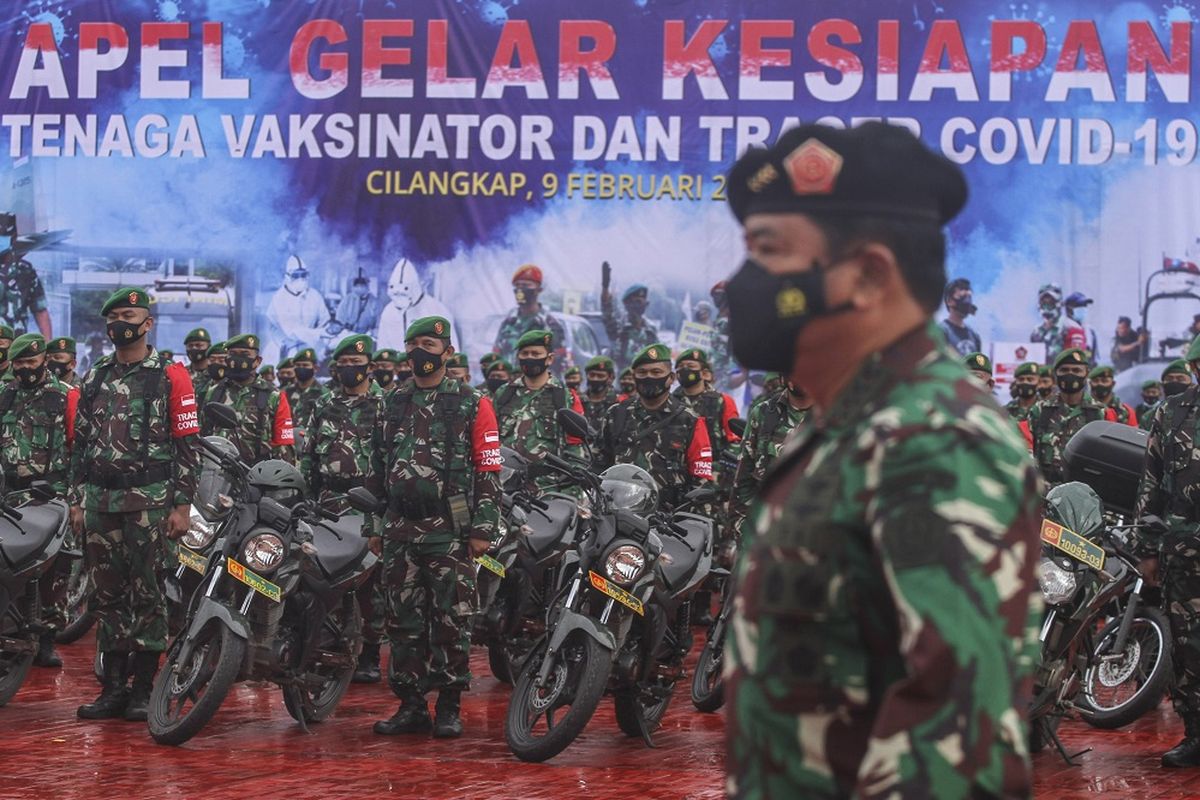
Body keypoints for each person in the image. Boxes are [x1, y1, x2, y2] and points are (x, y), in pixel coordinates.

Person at [722, 121, 1041, 798]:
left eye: (768, 252)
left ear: (867, 276)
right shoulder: (845, 425)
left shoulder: (934, 440)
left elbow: (953, 744)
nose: (739, 285)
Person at [367, 315, 501, 739]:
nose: (419, 352)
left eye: (429, 343)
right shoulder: (391, 400)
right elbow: (376, 466)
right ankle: (411, 706)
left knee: (450, 620)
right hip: (400, 529)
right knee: (402, 623)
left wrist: (483, 527)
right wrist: (375, 522)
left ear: (447, 352)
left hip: (451, 528)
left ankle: (448, 706)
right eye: (413, 344)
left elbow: (488, 468)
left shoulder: (471, 402)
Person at [71, 287, 200, 721]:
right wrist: (76, 500)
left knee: (148, 595)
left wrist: (182, 506)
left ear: (147, 323)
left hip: (150, 503)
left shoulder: (171, 376)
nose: (119, 323)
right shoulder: (96, 376)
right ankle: (113, 688)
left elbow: (187, 446)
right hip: (100, 502)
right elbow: (81, 444)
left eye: (129, 314)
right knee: (107, 597)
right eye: (114, 317)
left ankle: (144, 689)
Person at [301, 334, 387, 683]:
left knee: (370, 587)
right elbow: (308, 457)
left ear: (369, 366)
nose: (351, 369)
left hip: (368, 506)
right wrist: (305, 499)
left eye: (357, 363)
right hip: (328, 507)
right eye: (344, 364)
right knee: (325, 579)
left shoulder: (387, 405)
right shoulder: (324, 404)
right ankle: (327, 647)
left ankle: (369, 653)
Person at [1134, 335, 1200, 767]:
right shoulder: (1170, 413)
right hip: (1183, 552)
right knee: (1188, 647)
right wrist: (1147, 549)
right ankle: (1196, 734)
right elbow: (1151, 484)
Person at [1, 333, 78, 667]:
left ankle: (46, 639)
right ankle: (12, 633)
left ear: (45, 360)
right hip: (10, 492)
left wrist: (77, 499)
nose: (25, 370)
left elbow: (80, 448)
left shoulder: (66, 397)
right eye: (19, 364)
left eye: (31, 362)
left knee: (54, 569)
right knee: (12, 565)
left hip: (53, 494)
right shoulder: (5, 395)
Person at [598, 344, 712, 508]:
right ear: (634, 376)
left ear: (671, 378)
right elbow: (600, 463)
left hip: (667, 520)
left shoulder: (689, 419)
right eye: (642, 373)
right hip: (617, 513)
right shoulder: (616, 414)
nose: (649, 377)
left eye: (656, 372)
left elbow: (701, 476)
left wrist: (689, 518)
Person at [493, 329, 585, 489]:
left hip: (546, 488)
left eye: (536, 354)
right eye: (525, 353)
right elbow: (490, 438)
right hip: (504, 485)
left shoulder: (565, 397)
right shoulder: (504, 393)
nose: (529, 358)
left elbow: (575, 448)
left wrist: (571, 492)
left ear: (549, 359)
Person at [726, 380, 809, 555]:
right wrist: (743, 532)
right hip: (763, 540)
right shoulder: (764, 413)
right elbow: (743, 482)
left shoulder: (835, 413)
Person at [1026, 348, 1116, 486]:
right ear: (1056, 374)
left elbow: (1107, 462)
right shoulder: (1040, 411)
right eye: (1064, 370)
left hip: (1085, 496)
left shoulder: (1102, 413)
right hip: (1045, 496)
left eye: (1076, 370)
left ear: (1086, 373)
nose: (1070, 374)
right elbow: (1028, 455)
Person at [201, 333, 295, 464]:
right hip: (217, 472)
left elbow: (284, 444)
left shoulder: (274, 396)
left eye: (245, 355)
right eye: (233, 354)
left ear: (257, 361)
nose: (237, 359)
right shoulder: (213, 392)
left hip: (256, 474)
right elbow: (200, 435)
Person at [376, 257, 462, 353]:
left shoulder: (437, 311)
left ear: (415, 288)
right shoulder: (389, 312)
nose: (399, 299)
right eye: (395, 294)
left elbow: (451, 350)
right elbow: (382, 347)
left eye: (403, 294)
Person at [491, 264, 567, 371]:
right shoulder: (508, 323)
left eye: (526, 285)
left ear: (538, 290)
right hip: (509, 385)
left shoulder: (550, 325)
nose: (520, 290)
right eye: (517, 286)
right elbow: (496, 357)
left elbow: (558, 365)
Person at [265, 255, 329, 363]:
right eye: (296, 276)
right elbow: (273, 327)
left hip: (310, 346)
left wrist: (315, 339)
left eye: (303, 275)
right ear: (287, 277)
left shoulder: (315, 296)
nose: (300, 279)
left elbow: (325, 321)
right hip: (283, 348)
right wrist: (285, 343)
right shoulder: (278, 298)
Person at [0, 217, 52, 337]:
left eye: (3, 236)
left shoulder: (25, 271)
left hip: (16, 346)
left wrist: (48, 348)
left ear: (13, 238)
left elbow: (41, 311)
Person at [601, 270, 659, 371]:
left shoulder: (651, 330)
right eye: (636, 302)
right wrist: (605, 288)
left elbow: (656, 356)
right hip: (621, 379)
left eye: (641, 302)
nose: (638, 306)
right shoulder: (619, 326)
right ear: (627, 304)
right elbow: (607, 311)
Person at [286, 346, 331, 441]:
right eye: (298, 365)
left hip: (310, 445)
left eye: (305, 365)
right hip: (286, 445)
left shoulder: (324, 394)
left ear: (315, 368)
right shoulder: (286, 392)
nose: (301, 368)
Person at [939, 277, 982, 356]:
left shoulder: (974, 336)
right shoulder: (941, 332)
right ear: (949, 301)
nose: (967, 302)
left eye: (969, 297)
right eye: (962, 297)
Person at [1030, 283, 1064, 365]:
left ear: (1059, 304)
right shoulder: (1037, 331)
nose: (1047, 306)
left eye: (1051, 302)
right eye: (1044, 302)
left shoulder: (1068, 328)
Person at [581, 355, 618, 429]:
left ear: (610, 378)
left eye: (600, 376)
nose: (595, 379)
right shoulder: (578, 401)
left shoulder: (619, 403)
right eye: (592, 375)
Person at [1062, 291, 1097, 358]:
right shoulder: (1063, 329)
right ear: (1069, 309)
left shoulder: (1089, 331)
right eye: (1079, 306)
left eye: (1085, 306)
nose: (1083, 309)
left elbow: (1092, 355)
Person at [183, 327, 211, 401]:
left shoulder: (215, 374)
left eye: (199, 345)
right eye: (190, 346)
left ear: (209, 347)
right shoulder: (182, 373)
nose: (194, 348)